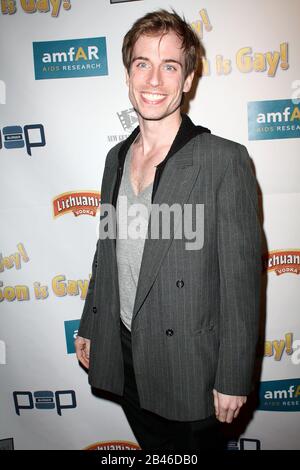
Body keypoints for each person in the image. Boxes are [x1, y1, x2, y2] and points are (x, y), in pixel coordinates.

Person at [75, 9, 262, 450]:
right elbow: (106, 249)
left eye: (170, 66)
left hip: (189, 366)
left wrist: (233, 378)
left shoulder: (223, 161)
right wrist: (89, 324)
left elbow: (241, 284)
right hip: (124, 352)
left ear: (189, 79)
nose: (154, 80)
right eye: (143, 63)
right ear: (127, 74)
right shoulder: (115, 159)